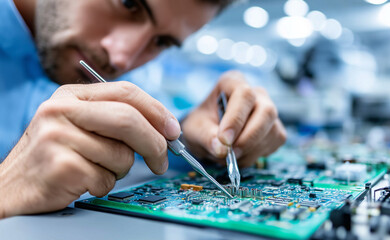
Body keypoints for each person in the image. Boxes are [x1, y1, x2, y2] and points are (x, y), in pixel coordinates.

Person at [0, 0, 287, 219]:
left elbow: (152, 139)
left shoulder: (133, 75)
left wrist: (198, 136)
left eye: (161, 42)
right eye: (128, 3)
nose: (122, 58)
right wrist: (7, 189)